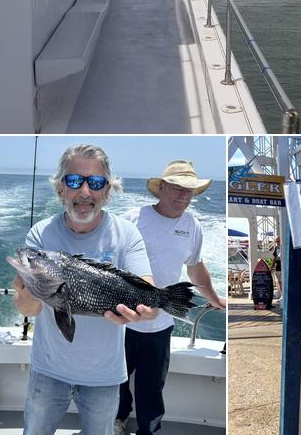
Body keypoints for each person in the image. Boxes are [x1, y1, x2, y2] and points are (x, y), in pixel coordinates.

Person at [12, 144, 157, 435]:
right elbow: (29, 309)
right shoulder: (40, 235)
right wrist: (31, 285)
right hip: (48, 370)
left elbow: (150, 299)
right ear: (61, 188)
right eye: (74, 181)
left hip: (103, 375)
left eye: (96, 182)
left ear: (108, 190)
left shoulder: (126, 234)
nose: (85, 192)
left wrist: (141, 312)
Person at [115, 160, 226, 435]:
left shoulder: (193, 226)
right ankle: (117, 418)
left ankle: (149, 431)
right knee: (115, 379)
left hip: (161, 325)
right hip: (122, 322)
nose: (183, 195)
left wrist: (214, 298)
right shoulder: (132, 218)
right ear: (161, 187)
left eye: (189, 190)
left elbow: (195, 267)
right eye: (177, 187)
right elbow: (111, 264)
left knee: (152, 386)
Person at [272, 235, 283, 302]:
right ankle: (282, 295)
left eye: (278, 241)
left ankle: (284, 295)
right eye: (276, 241)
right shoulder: (276, 248)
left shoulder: (283, 247)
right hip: (277, 267)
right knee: (279, 282)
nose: (277, 243)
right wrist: (271, 266)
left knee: (282, 281)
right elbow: (274, 257)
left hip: (283, 267)